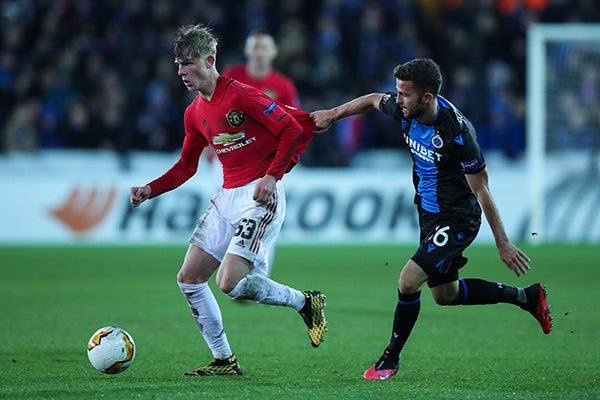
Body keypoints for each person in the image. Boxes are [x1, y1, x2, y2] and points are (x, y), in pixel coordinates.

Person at [310, 58, 552, 381]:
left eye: (404, 95)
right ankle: (527, 297)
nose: (397, 101)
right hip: (429, 214)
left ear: (427, 97)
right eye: (397, 93)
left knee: (408, 281)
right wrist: (332, 114)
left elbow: (482, 191)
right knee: (445, 295)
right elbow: (371, 100)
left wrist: (503, 243)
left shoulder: (458, 134)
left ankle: (389, 359)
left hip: (458, 219)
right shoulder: (403, 107)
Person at [130, 24, 325, 377]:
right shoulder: (194, 113)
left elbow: (291, 130)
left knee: (228, 284)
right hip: (226, 196)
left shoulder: (240, 95)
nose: (181, 72)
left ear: (209, 60)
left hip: (259, 196)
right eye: (177, 64)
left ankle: (304, 302)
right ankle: (224, 360)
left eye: (188, 63)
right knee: (189, 278)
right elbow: (187, 166)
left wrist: (271, 176)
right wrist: (150, 189)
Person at [205, 31, 300, 277]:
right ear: (247, 52)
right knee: (227, 214)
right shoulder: (232, 76)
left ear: (273, 53)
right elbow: (209, 109)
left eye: (264, 48)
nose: (259, 52)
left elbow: (294, 124)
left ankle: (259, 274)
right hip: (228, 160)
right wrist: (207, 143)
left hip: (263, 164)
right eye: (254, 48)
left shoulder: (283, 86)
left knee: (263, 216)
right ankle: (232, 270)